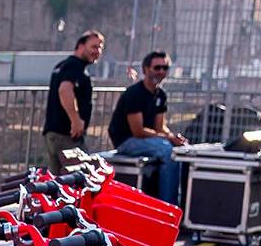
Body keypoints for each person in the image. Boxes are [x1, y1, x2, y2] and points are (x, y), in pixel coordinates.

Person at [109, 51, 189, 204]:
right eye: (157, 67)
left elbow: (160, 127)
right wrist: (168, 138)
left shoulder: (161, 95)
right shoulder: (134, 93)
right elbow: (138, 131)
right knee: (168, 151)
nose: (161, 72)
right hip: (127, 140)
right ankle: (168, 206)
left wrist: (173, 137)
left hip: (148, 139)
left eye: (165, 68)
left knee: (184, 151)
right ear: (145, 69)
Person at [41, 30, 103, 171]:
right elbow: (65, 89)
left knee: (59, 183)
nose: (97, 51)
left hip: (55, 133)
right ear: (81, 46)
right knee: (84, 177)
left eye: (100, 48)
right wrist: (75, 120)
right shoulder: (75, 66)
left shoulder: (63, 65)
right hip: (66, 135)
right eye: (94, 47)